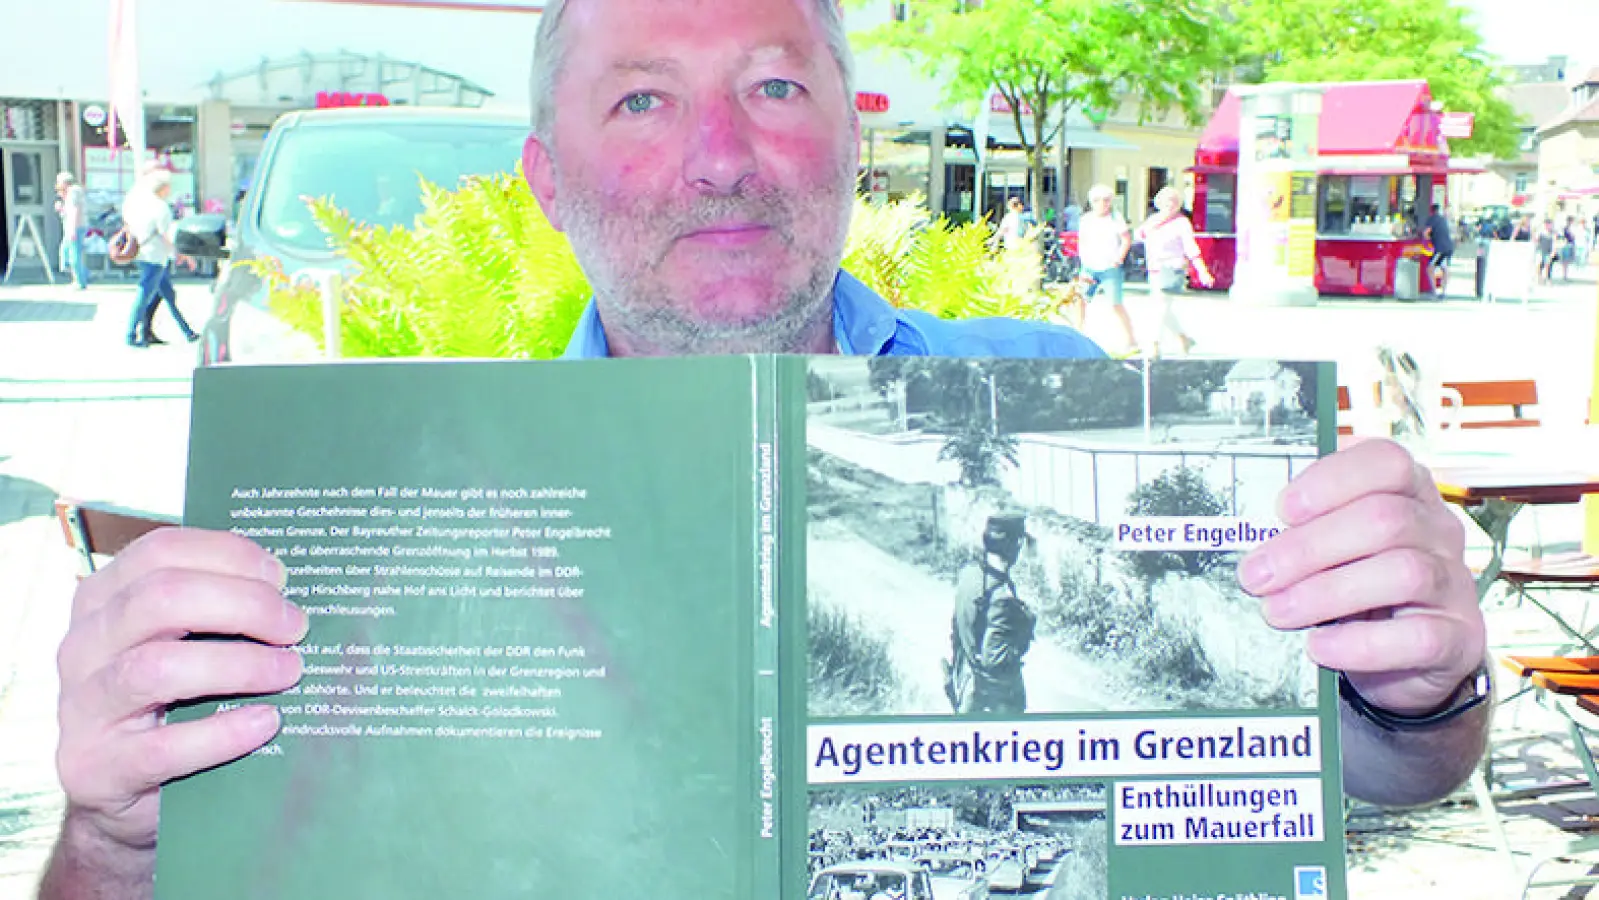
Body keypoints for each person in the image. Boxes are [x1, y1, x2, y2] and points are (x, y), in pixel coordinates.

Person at [38, 0, 1490, 896]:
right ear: (547, 184)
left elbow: (1360, 778)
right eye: (642, 99)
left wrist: (1414, 687)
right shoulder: (389, 502)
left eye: (774, 88)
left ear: (854, 141)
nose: (719, 156)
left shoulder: (1057, 389)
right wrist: (110, 849)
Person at [946, 514, 1037, 714]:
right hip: (994, 703)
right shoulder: (1002, 597)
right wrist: (1022, 635)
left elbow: (957, 631)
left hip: (966, 686)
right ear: (1015, 545)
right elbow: (994, 660)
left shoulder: (969, 574)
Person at [120, 168, 199, 347]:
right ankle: (131, 335)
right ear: (163, 188)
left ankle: (186, 332)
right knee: (145, 295)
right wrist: (180, 255)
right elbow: (166, 235)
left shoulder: (143, 204)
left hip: (144, 253)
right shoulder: (161, 207)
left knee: (166, 294)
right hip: (155, 256)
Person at [1135, 185, 1213, 357]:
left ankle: (1154, 344)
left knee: (1160, 307)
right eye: (1167, 201)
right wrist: (1153, 224)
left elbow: (1190, 247)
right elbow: (1139, 236)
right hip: (1154, 268)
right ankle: (1183, 338)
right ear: (1159, 202)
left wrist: (1202, 270)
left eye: (1174, 201)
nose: (1170, 205)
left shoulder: (1182, 222)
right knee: (1164, 309)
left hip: (1171, 268)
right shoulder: (1153, 219)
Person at [1075, 183, 1137, 353]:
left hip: (1110, 267)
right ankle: (1078, 333)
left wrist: (1119, 258)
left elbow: (1126, 239)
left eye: (1106, 200)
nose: (1103, 203)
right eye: (1098, 200)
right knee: (1080, 300)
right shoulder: (1086, 219)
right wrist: (1082, 259)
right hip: (1089, 266)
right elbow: (1082, 240)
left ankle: (1131, 338)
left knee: (1115, 303)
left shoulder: (1116, 218)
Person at [54, 172, 91, 290]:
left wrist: (73, 229)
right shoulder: (69, 193)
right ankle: (82, 275)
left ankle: (80, 281)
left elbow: (75, 210)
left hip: (76, 227)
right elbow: (68, 211)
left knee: (74, 255)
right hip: (71, 227)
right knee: (65, 251)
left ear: (65, 182)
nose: (58, 185)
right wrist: (61, 208)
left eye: (59, 182)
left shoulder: (74, 191)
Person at [1422, 203, 1454, 298]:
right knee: (1445, 269)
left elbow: (1426, 233)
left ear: (1431, 211)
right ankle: (1443, 292)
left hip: (1440, 248)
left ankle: (1434, 292)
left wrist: (1428, 239)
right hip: (1448, 247)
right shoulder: (1443, 219)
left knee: (1430, 269)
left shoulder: (1432, 219)